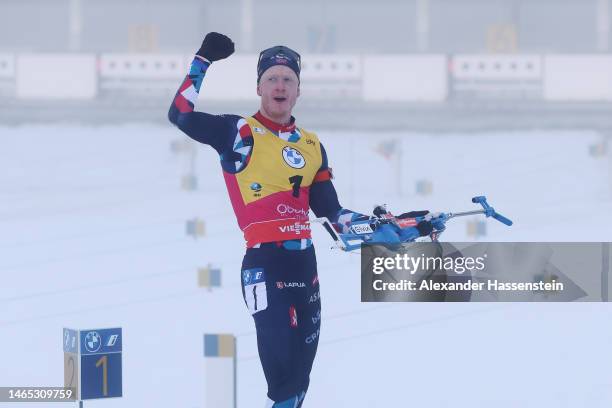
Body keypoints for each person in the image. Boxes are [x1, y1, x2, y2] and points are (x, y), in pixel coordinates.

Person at [168, 32, 432, 407]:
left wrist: (396, 228)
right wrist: (202, 61)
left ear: (298, 91)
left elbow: (333, 214)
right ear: (259, 87)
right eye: (272, 79)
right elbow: (179, 115)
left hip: (305, 266)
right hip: (265, 265)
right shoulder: (238, 132)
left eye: (288, 80)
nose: (280, 86)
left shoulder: (311, 145)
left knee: (299, 383)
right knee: (282, 381)